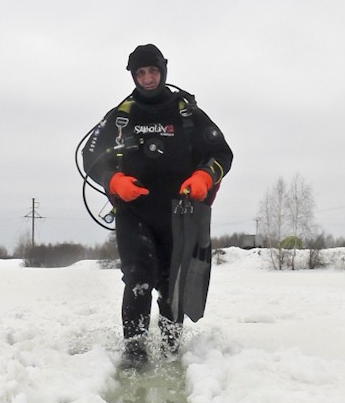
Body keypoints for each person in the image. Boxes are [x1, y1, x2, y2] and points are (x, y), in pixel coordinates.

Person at [82, 43, 233, 368]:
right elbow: (90, 157)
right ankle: (135, 349)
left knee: (170, 282)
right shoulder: (121, 116)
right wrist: (113, 182)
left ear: (163, 71)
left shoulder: (186, 112)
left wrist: (204, 177)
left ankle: (170, 347)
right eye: (141, 73)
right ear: (133, 76)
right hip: (133, 213)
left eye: (153, 71)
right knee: (138, 276)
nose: (148, 78)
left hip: (179, 214)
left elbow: (223, 154)